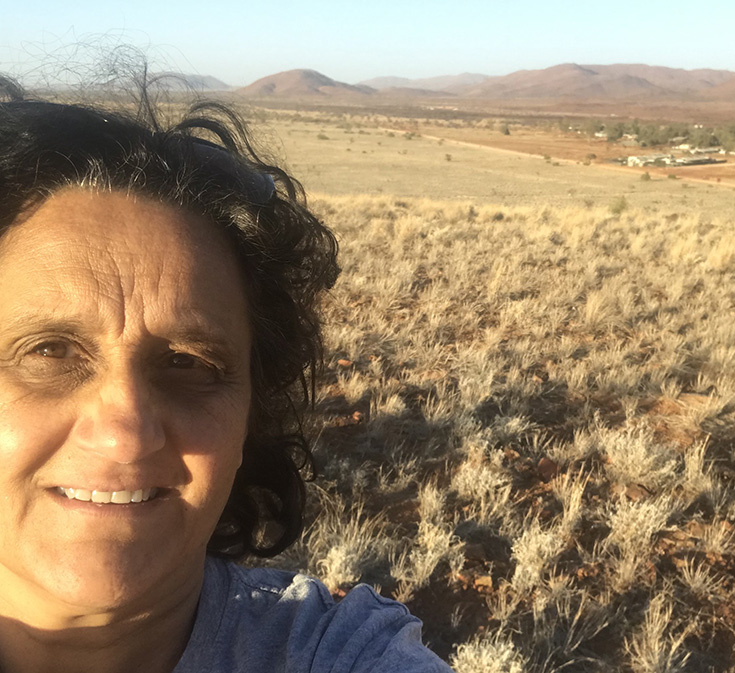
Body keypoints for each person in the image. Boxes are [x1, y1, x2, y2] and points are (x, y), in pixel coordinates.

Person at [0, 76, 453, 673]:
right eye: (50, 353)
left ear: (249, 420)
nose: (125, 434)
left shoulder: (334, 655)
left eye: (188, 364)